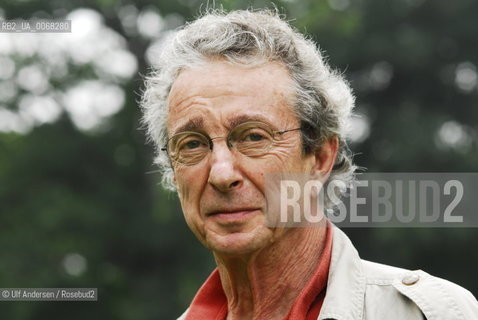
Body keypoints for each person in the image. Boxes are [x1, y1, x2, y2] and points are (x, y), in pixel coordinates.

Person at [140, 9, 478, 320]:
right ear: (172, 168)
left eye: (253, 138)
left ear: (319, 157)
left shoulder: (434, 314)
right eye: (193, 144)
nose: (222, 173)